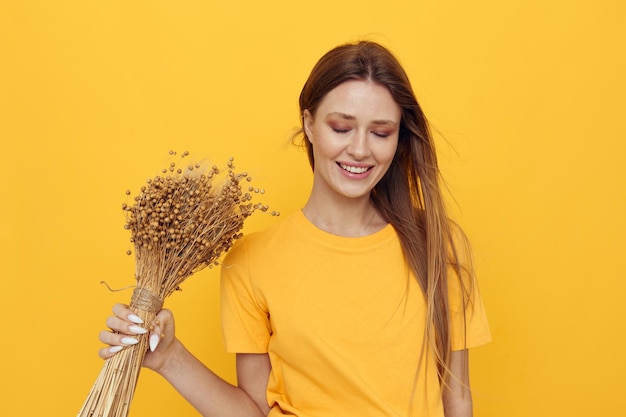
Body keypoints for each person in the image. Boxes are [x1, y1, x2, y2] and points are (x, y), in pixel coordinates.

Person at [100, 40, 491, 417]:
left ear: (399, 138)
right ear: (308, 123)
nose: (359, 149)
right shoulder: (252, 261)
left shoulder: (437, 243)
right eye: (341, 127)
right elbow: (255, 412)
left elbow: (457, 402)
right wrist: (170, 358)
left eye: (381, 132)